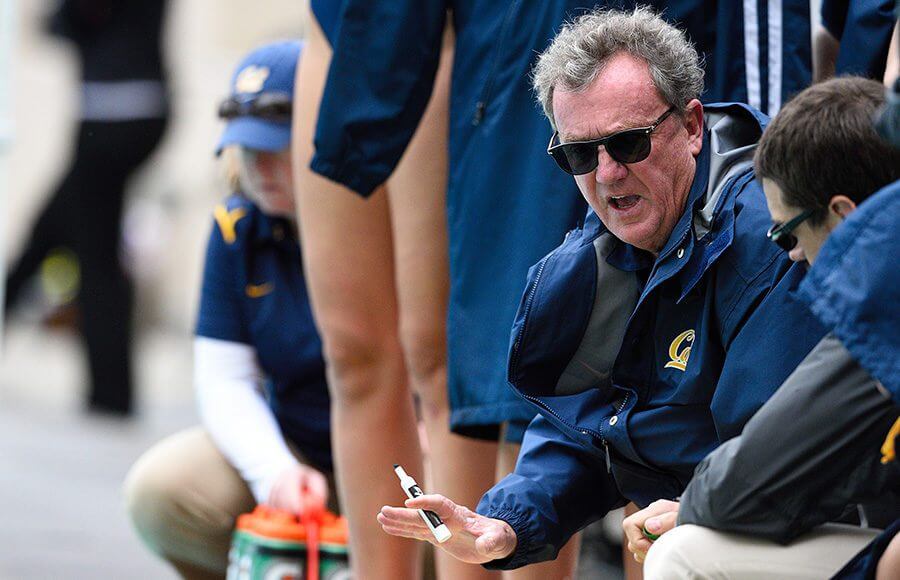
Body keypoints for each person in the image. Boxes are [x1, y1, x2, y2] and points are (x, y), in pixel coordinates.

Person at [377, 6, 826, 570]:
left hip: (836, 522)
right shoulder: (611, 244)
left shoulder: (769, 233)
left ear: (691, 126)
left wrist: (696, 509)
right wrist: (508, 523)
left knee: (682, 552)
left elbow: (781, 454)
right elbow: (594, 429)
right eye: (580, 154)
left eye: (629, 143)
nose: (607, 173)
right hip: (749, 511)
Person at [613, 78, 900, 579]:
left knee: (680, 552)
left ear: (843, 215)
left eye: (787, 232)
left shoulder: (883, 295)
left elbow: (757, 476)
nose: (788, 255)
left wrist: (693, 506)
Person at [124, 41, 336, 580]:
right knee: (161, 491)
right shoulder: (236, 229)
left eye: (277, 147)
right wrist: (276, 474)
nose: (259, 165)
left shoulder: (380, 221)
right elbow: (224, 380)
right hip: (298, 447)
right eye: (247, 148)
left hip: (399, 459)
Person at [4, 0, 169, 416]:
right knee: (52, 231)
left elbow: (69, 19)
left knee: (93, 254)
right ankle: (110, 390)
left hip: (113, 117)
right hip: (125, 111)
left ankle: (110, 393)